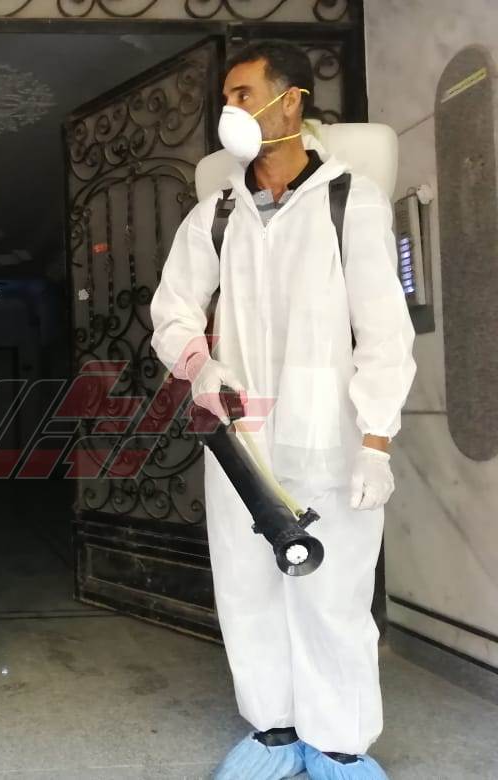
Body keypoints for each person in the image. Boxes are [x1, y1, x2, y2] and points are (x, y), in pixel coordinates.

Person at [150, 42, 415, 780]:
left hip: (329, 435)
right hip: (242, 435)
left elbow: (384, 331)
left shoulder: (348, 201)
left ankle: (338, 743)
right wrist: (200, 362)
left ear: (290, 100)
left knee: (332, 593)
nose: (230, 110)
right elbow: (172, 310)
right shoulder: (217, 212)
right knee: (247, 587)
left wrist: (376, 440)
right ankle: (272, 730)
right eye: (226, 99)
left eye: (243, 94)